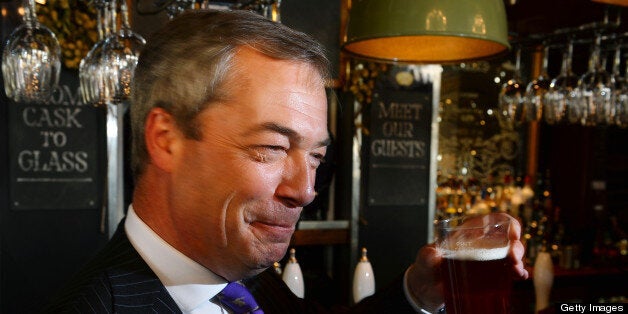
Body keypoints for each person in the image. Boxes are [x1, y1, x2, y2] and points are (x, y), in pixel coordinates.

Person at [45, 9, 528, 313]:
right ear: (167, 139)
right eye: (273, 148)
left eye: (316, 155)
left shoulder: (243, 281)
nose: (305, 189)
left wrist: (419, 292)